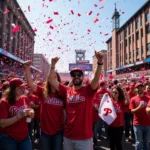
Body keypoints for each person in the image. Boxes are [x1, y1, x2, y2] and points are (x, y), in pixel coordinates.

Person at [49, 51, 104, 150]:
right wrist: (52, 66)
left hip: (84, 138)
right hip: (68, 136)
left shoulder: (88, 90)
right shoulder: (66, 90)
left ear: (83, 77)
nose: (77, 76)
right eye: (74, 75)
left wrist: (100, 63)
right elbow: (52, 81)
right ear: (71, 78)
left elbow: (96, 79)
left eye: (79, 74)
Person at [24, 62, 65, 150]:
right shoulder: (43, 92)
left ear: (58, 79)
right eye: (51, 77)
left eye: (55, 77)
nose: (53, 79)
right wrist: (27, 68)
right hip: (45, 130)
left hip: (58, 130)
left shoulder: (63, 94)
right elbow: (30, 84)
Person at [0, 78, 34, 150]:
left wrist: (31, 114)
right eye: (19, 88)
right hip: (9, 138)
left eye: (23, 87)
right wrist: (20, 115)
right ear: (12, 89)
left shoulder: (24, 98)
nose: (22, 90)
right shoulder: (4, 102)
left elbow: (29, 112)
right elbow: (2, 123)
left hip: (24, 136)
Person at [108, 85, 129, 150]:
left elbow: (128, 102)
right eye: (113, 92)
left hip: (119, 127)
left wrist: (126, 93)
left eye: (116, 92)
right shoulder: (109, 101)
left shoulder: (121, 101)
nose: (114, 94)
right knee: (111, 143)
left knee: (118, 143)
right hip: (111, 125)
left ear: (119, 93)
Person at [129, 83, 150, 150]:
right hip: (137, 124)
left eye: (141, 87)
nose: (140, 88)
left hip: (148, 124)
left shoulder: (148, 98)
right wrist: (139, 108)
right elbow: (131, 111)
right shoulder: (133, 99)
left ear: (143, 88)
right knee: (138, 143)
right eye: (138, 87)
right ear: (135, 89)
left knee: (146, 143)